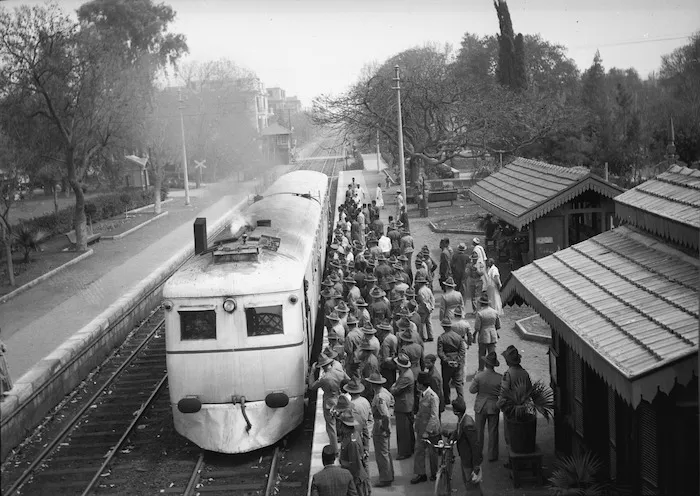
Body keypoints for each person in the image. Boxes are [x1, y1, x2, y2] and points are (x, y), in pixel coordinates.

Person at [308, 354, 351, 453]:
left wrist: (312, 372)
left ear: (322, 366)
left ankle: (335, 450)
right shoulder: (339, 372)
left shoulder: (324, 379)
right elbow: (348, 381)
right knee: (344, 425)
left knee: (331, 428)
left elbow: (311, 386)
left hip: (329, 402)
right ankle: (346, 448)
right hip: (341, 400)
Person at [469, 351, 503, 462]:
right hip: (493, 405)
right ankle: (492, 455)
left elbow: (472, 390)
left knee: (478, 431)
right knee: (493, 431)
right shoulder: (500, 378)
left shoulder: (479, 376)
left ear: (485, 364)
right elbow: (503, 393)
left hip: (480, 405)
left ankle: (478, 453)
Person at [411, 371, 441, 484]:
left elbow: (434, 416)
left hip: (431, 430)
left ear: (422, 384)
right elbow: (420, 412)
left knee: (432, 453)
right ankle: (421, 473)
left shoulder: (433, 397)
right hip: (421, 428)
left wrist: (427, 431)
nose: (417, 385)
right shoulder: (422, 394)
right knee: (419, 451)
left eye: (418, 383)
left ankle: (434, 473)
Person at [450, 398, 484, 496]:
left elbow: (475, 445)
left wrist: (476, 466)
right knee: (470, 484)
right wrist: (452, 434)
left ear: (456, 412)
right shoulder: (462, 419)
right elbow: (458, 432)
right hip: (465, 459)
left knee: (471, 486)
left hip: (469, 461)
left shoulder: (467, 424)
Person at [367, 372, 395, 487]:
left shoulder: (379, 397)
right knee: (386, 452)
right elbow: (392, 403)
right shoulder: (385, 392)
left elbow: (385, 415)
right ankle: (389, 474)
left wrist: (384, 426)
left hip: (380, 424)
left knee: (381, 454)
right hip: (383, 423)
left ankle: (385, 478)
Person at [338, 410, 371, 496]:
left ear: (344, 426)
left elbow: (355, 464)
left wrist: (352, 482)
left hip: (354, 478)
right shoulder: (349, 436)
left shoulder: (352, 442)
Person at [390, 353, 415, 460]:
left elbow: (395, 390)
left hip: (403, 405)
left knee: (403, 430)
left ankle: (405, 452)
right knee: (407, 429)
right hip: (406, 403)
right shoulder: (406, 373)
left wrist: (393, 387)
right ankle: (410, 448)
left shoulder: (405, 376)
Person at [436, 318, 466, 404]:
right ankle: (461, 399)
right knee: (458, 383)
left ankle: (447, 400)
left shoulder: (441, 337)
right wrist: (458, 360)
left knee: (446, 382)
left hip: (446, 364)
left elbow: (440, 352)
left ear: (443, 327)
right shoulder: (458, 337)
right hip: (458, 362)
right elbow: (462, 351)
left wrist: (447, 360)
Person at [472, 295, 500, 372]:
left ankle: (481, 369)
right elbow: (498, 325)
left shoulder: (480, 313)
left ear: (481, 304)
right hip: (493, 335)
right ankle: (491, 370)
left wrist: (474, 335)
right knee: (492, 354)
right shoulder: (495, 312)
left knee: (482, 354)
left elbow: (477, 327)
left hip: (483, 335)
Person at [423, 354, 445, 418]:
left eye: (428, 363)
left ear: (433, 363)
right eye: (425, 363)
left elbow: (436, 392)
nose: (426, 365)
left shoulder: (433, 377)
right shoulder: (431, 372)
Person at [415, 275, 435, 342]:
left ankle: (422, 337)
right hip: (429, 307)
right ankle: (431, 336)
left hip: (423, 308)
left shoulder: (420, 291)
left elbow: (422, 301)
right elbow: (432, 298)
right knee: (429, 322)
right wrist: (432, 306)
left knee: (422, 323)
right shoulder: (428, 289)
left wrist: (426, 307)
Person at [0, 328, 12, 395]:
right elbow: (3, 347)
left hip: (1, 360)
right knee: (2, 376)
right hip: (0, 360)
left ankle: (2, 392)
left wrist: (3, 348)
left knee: (3, 375)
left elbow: (3, 347)